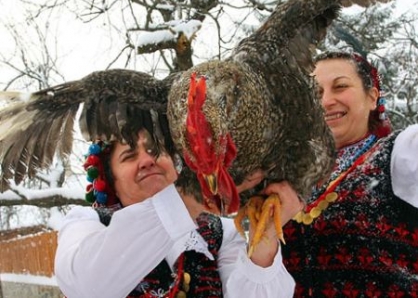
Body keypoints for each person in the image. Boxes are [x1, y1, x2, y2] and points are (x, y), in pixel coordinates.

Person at [54, 107, 302, 298]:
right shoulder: (86, 223)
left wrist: (265, 240)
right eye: (130, 156)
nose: (147, 161)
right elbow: (90, 285)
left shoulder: (221, 232)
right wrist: (193, 196)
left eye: (155, 151)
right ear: (111, 181)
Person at [282, 50, 418, 296]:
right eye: (315, 92)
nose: (326, 101)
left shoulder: (401, 153)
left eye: (340, 86)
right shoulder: (288, 176)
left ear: (372, 96)